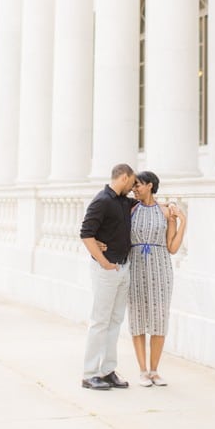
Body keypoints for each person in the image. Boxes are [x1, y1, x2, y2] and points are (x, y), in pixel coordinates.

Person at [79, 163, 137, 390]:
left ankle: (107, 371)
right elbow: (86, 234)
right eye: (132, 183)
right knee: (100, 321)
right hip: (107, 269)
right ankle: (89, 373)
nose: (133, 189)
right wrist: (104, 262)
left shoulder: (124, 201)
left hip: (123, 268)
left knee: (115, 322)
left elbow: (146, 201)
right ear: (124, 178)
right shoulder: (102, 201)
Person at [127, 170, 186, 387]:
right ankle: (142, 371)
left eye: (138, 185)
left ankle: (154, 371)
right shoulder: (130, 209)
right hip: (136, 267)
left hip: (161, 268)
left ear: (150, 185)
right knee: (138, 319)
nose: (135, 189)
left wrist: (183, 221)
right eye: (133, 186)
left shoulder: (165, 211)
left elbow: (172, 247)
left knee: (159, 320)